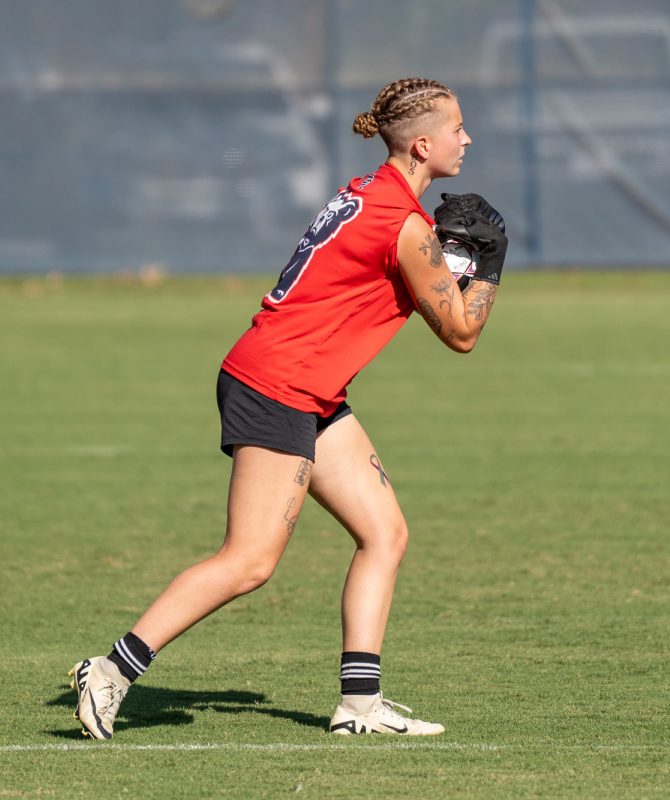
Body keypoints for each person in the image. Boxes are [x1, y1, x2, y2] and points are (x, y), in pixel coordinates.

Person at [69, 76, 508, 739]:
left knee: (384, 533)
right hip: (280, 385)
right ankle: (111, 671)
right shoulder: (403, 225)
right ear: (423, 144)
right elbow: (462, 334)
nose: (467, 138)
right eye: (457, 129)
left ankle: (359, 705)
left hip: (308, 386)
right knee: (250, 560)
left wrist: (452, 260)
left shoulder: (368, 192)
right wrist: (488, 263)